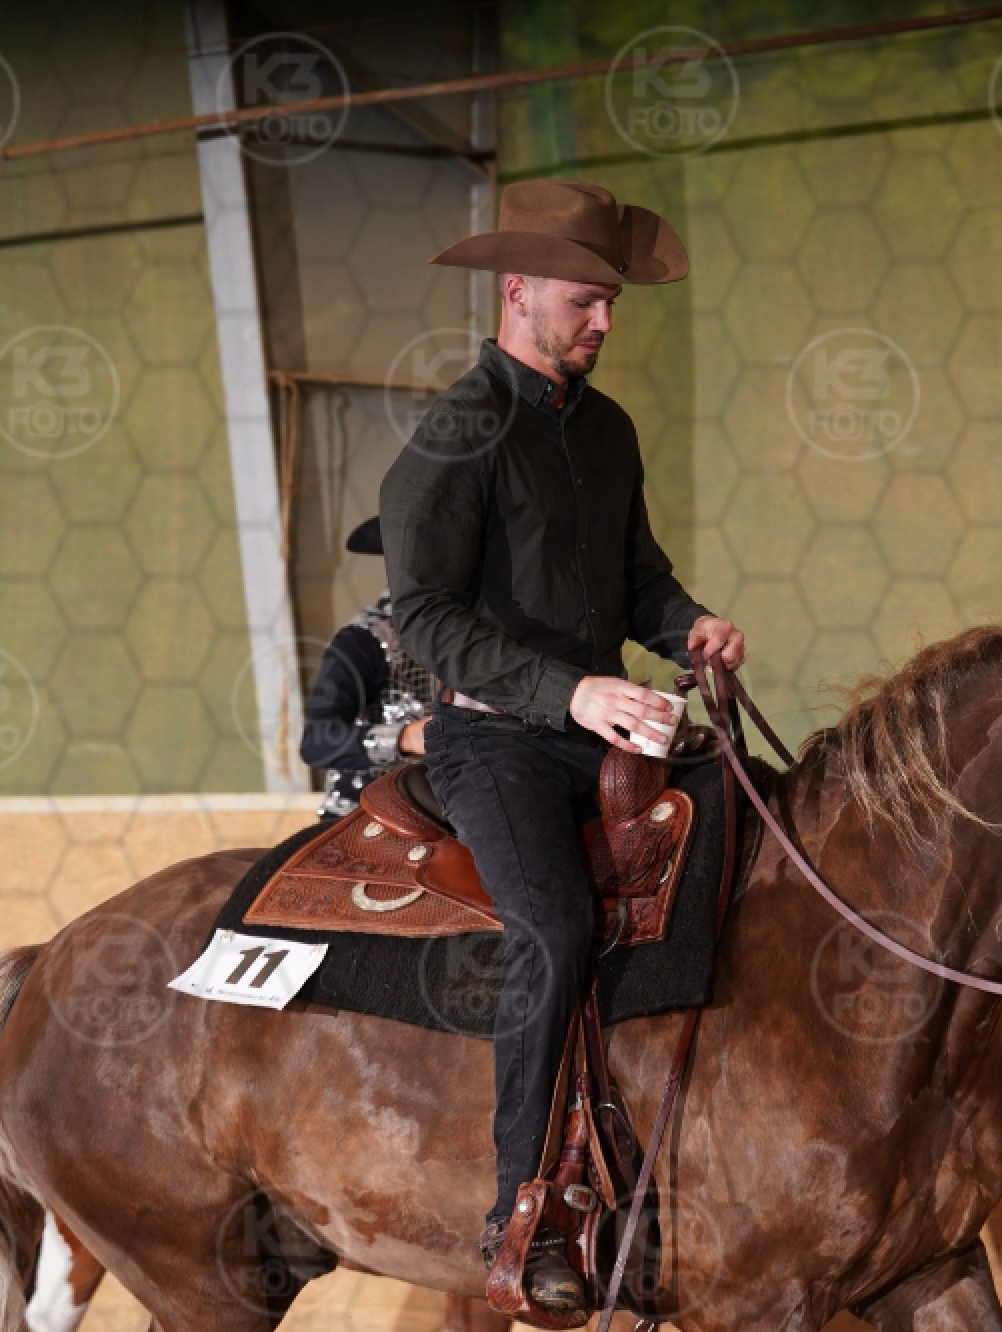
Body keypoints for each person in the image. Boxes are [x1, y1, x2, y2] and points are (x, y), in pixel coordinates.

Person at [378, 179, 745, 1317]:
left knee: (750, 847)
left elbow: (637, 579)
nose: (603, 322)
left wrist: (689, 624)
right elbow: (423, 616)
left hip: (602, 727)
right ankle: (525, 1212)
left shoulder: (609, 429)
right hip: (495, 744)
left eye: (611, 305)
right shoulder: (456, 432)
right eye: (584, 301)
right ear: (517, 291)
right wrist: (569, 690)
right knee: (552, 923)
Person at [298, 516, 440, 820]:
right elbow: (317, 741)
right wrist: (406, 737)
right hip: (365, 818)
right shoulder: (363, 640)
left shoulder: (477, 638)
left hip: (450, 809)